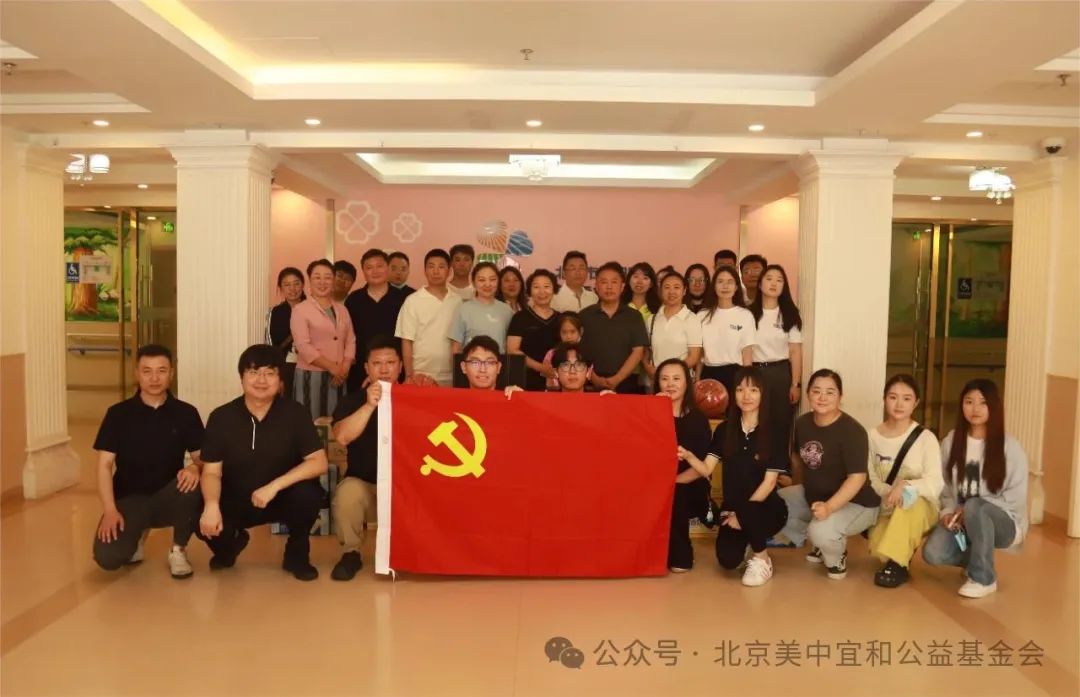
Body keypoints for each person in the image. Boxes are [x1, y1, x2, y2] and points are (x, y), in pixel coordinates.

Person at [197, 345, 329, 581]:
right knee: (196, 504)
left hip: (280, 497)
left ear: (280, 380)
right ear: (241, 378)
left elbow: (318, 462)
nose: (261, 380)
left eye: (270, 373)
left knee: (308, 494)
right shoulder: (222, 417)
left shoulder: (295, 413)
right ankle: (229, 546)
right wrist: (211, 505)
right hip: (236, 499)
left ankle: (297, 554)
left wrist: (274, 486)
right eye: (254, 372)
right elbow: (211, 472)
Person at [92, 344, 204, 579]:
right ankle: (137, 536)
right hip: (129, 499)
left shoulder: (186, 413)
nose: (154, 378)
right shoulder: (118, 414)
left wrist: (195, 468)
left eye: (161, 371)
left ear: (171, 373)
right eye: (147, 371)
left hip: (168, 496)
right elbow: (104, 465)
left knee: (195, 484)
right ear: (137, 374)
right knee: (108, 558)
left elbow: (202, 458)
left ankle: (178, 550)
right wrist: (110, 510)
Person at [678, 367, 787, 586]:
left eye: (753, 390)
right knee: (728, 560)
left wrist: (743, 516)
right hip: (732, 510)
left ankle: (762, 559)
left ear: (763, 395)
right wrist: (689, 456)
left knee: (752, 515)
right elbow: (706, 469)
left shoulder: (775, 431)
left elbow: (769, 483)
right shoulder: (724, 429)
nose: (746, 396)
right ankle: (748, 541)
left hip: (766, 508)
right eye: (740, 389)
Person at [922, 379, 1029, 598]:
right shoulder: (951, 441)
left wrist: (971, 509)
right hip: (961, 520)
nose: (975, 408)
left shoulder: (1010, 448)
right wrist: (948, 512)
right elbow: (945, 487)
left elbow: (1015, 500)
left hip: (1003, 523)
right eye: (969, 402)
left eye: (983, 402)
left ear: (994, 407)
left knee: (975, 506)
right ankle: (979, 558)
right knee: (932, 553)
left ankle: (984, 578)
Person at [779, 369, 879, 580]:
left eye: (830, 392)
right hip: (816, 495)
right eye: (816, 391)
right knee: (774, 504)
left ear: (840, 396)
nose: (822, 397)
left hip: (857, 503)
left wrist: (829, 508)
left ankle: (836, 555)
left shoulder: (853, 431)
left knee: (820, 532)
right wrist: (794, 484)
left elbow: (857, 478)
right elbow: (798, 460)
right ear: (808, 394)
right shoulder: (802, 424)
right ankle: (821, 543)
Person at [329, 335, 401, 580]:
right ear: (367, 368)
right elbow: (342, 437)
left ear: (400, 366)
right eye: (377, 363)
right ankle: (351, 553)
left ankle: (411, 552)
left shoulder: (414, 398)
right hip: (366, 485)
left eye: (390, 363)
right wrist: (369, 405)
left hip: (404, 488)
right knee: (347, 492)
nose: (384, 369)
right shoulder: (352, 401)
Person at [867, 374, 944, 588]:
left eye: (907, 398)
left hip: (920, 505)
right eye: (893, 397)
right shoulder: (871, 436)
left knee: (908, 507)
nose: (899, 404)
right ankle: (897, 553)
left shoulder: (926, 438)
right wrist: (889, 493)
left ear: (916, 402)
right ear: (884, 399)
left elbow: (935, 482)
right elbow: (869, 477)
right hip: (886, 504)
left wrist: (906, 486)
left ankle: (898, 566)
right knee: (880, 549)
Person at [656, 358, 711, 572]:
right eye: (664, 379)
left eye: (676, 379)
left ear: (687, 383)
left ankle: (681, 555)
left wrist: (672, 482)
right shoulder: (648, 413)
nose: (670, 384)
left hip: (687, 483)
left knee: (676, 494)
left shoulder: (698, 420)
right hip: (656, 481)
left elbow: (701, 467)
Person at [748, 264, 802, 461]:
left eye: (779, 280)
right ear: (760, 284)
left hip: (780, 373)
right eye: (769, 278)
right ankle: (755, 464)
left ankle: (779, 467)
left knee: (781, 422)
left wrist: (795, 383)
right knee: (754, 420)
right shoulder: (748, 314)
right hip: (754, 372)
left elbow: (795, 351)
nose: (774, 283)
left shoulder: (789, 314)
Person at [291, 258, 357, 419]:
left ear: (333, 280)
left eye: (327, 277)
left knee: (336, 420)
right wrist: (332, 367)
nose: (322, 282)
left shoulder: (342, 309)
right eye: (317, 277)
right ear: (309, 280)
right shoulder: (300, 310)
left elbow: (350, 340)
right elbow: (303, 345)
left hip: (339, 376)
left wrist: (345, 367)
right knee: (310, 420)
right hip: (311, 375)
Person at [395, 249, 464, 387]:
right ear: (425, 271)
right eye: (431, 267)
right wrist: (409, 375)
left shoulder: (457, 301)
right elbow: (406, 340)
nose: (436, 271)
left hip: (451, 375)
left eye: (441, 267)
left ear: (449, 271)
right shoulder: (413, 300)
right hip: (420, 375)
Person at [580, 262, 650, 395]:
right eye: (604, 282)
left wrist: (617, 379)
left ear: (622, 286)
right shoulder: (584, 315)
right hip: (590, 382)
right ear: (596, 287)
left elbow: (638, 352)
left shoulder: (634, 316)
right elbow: (577, 351)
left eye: (614, 282)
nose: (609, 287)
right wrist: (592, 377)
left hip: (627, 383)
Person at [344, 249, 406, 392]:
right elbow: (348, 337)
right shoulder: (353, 299)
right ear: (363, 271)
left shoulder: (403, 299)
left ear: (387, 268)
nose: (375, 271)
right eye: (369, 267)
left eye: (379, 266)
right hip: (360, 370)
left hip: (395, 369)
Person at [698, 265, 755, 399]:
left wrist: (747, 381)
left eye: (730, 282)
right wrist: (698, 379)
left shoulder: (745, 315)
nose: (725, 286)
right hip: (709, 373)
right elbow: (700, 353)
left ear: (736, 287)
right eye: (720, 281)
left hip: (735, 373)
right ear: (714, 286)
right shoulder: (702, 315)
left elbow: (747, 353)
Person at [507, 269, 562, 391]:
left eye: (547, 286)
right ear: (529, 291)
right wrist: (540, 367)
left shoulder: (561, 319)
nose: (542, 292)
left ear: (554, 290)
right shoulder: (520, 317)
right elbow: (512, 349)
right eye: (536, 287)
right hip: (526, 381)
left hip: (557, 383)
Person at [644, 271, 702, 382]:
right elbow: (647, 352)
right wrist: (648, 367)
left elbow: (694, 357)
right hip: (656, 380)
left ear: (684, 291)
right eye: (667, 287)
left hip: (681, 380)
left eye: (676, 287)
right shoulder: (652, 319)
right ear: (660, 291)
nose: (671, 292)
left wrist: (668, 374)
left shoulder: (692, 319)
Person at [449, 262, 514, 353]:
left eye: (492, 279)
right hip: (471, 361)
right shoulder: (463, 309)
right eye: (481, 280)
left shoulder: (506, 310)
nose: (487, 284)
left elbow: (511, 346)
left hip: (498, 361)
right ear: (473, 283)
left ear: (498, 281)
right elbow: (456, 348)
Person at [265, 266, 305, 398]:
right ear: (280, 288)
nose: (292, 289)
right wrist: (277, 375)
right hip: (286, 367)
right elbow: (271, 346)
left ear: (303, 285)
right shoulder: (275, 312)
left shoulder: (314, 309)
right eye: (287, 285)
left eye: (296, 283)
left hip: (313, 366)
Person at [622, 262, 661, 391]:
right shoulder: (621, 307)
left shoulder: (657, 310)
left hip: (649, 370)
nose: (639, 281)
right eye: (635, 276)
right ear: (629, 280)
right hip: (623, 368)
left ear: (651, 283)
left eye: (645, 278)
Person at [542, 312, 585, 390]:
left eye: (572, 331)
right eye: (564, 332)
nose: (568, 336)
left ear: (581, 331)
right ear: (559, 332)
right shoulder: (551, 354)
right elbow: (548, 380)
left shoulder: (587, 352)